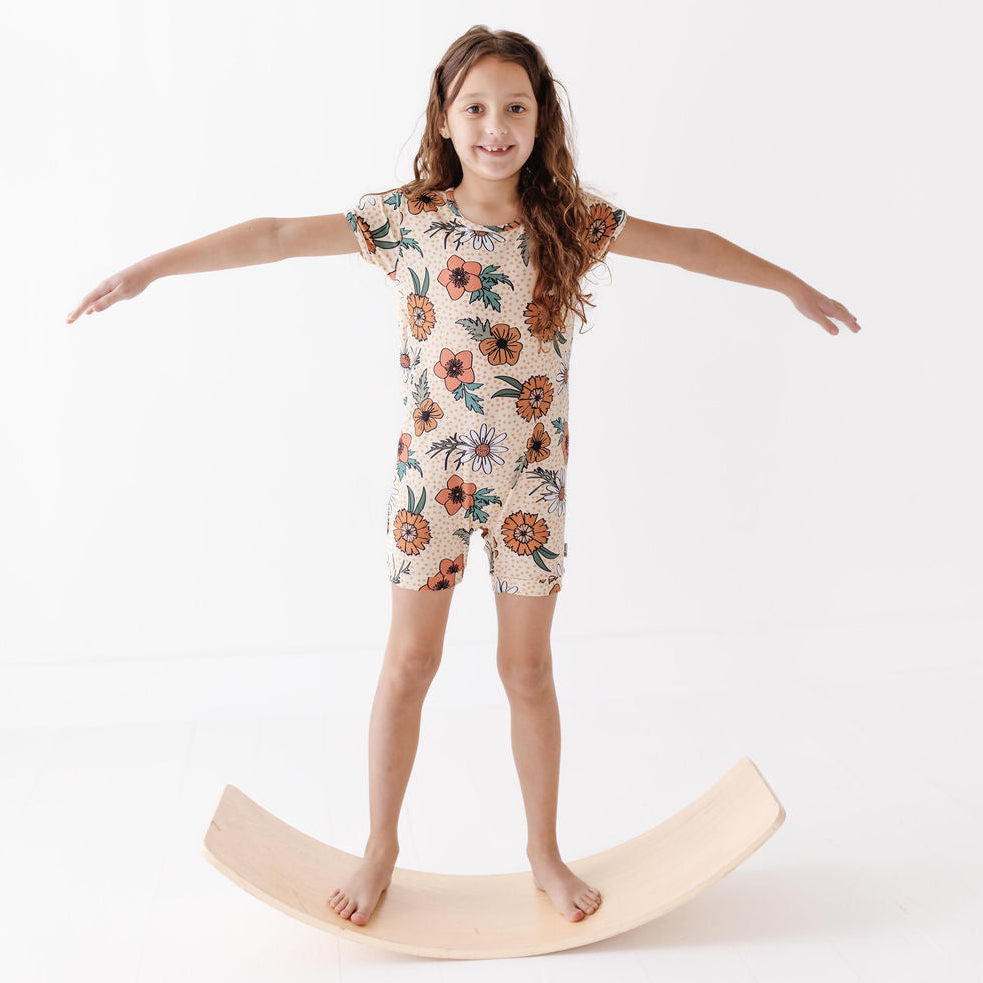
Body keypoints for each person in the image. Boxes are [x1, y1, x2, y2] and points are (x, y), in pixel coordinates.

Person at [66, 25, 860, 928]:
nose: (496, 125)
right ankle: (380, 848)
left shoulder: (571, 222)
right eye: (475, 107)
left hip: (531, 492)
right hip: (429, 491)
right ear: (445, 119)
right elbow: (277, 234)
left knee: (526, 670)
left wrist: (788, 282)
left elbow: (688, 245)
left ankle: (543, 853)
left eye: (514, 106)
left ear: (539, 117)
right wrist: (150, 270)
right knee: (409, 662)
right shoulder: (405, 220)